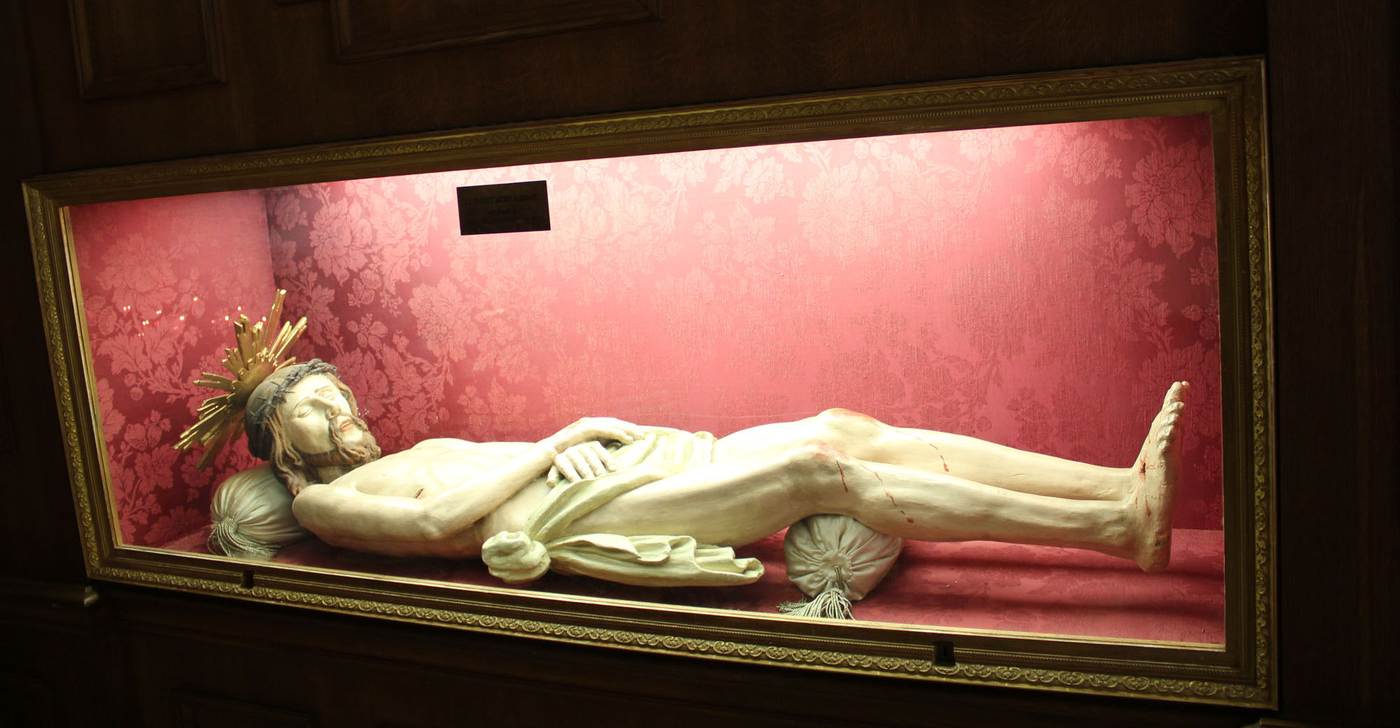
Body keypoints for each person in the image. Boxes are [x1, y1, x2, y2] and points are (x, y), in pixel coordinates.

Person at [236, 360, 1185, 586]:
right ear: (281, 443)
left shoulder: (403, 450)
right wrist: (561, 437)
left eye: (334, 388)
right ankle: (1115, 531)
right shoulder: (325, 504)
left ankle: (1113, 480)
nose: (338, 405)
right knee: (819, 470)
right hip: (574, 516)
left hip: (614, 465)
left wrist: (576, 444)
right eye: (312, 405)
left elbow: (473, 475)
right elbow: (437, 525)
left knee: (844, 425)